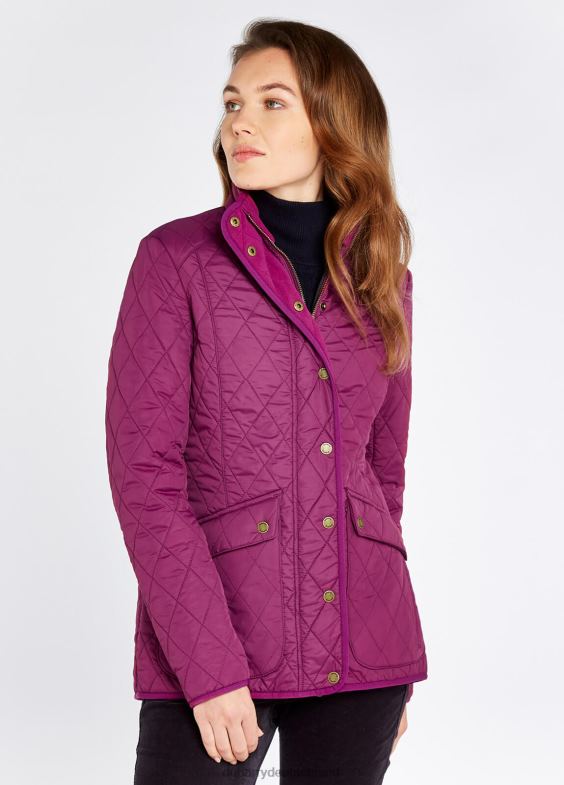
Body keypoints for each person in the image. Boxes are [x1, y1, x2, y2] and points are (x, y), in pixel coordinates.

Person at [105, 18, 428, 785]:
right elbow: (145, 477)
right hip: (215, 639)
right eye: (232, 102)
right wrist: (209, 667)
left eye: (271, 101)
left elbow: (381, 476)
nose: (239, 122)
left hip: (364, 653)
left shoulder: (386, 281)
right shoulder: (175, 260)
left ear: (334, 122)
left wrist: (380, 653)